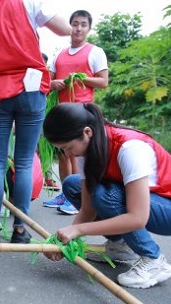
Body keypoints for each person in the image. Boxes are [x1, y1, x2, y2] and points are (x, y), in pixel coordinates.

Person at [42, 103, 171, 289]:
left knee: (105, 195)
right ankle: (120, 246)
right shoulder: (86, 149)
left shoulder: (130, 148)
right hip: (147, 204)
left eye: (68, 147)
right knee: (72, 184)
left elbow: (138, 218)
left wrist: (78, 230)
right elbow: (88, 207)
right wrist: (66, 240)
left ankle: (154, 260)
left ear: (87, 132)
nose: (67, 154)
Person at [0, 0, 71, 244]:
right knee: (23, 162)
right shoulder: (28, 3)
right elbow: (64, 29)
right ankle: (20, 230)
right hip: (31, 89)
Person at [43, 10, 109, 216]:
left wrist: (80, 78)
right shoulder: (59, 55)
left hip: (82, 113)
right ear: (69, 26)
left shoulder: (95, 52)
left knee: (80, 156)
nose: (78, 28)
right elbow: (49, 81)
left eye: (83, 25)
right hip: (61, 113)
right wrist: (54, 83)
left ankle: (80, 197)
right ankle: (66, 193)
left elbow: (103, 82)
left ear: (89, 28)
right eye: (75, 24)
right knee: (64, 154)